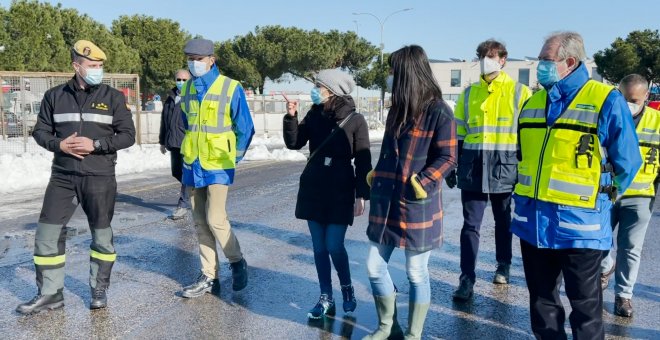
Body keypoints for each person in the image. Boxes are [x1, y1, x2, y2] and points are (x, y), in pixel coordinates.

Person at [511, 32, 642, 339]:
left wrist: (601, 202)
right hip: (534, 227)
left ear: (569, 62)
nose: (539, 65)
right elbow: (524, 158)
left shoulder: (605, 99)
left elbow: (628, 163)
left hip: (580, 230)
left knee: (585, 314)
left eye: (545, 59)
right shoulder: (533, 103)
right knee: (542, 308)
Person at [16, 40, 136, 314]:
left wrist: (96, 145)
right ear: (76, 66)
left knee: (101, 236)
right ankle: (50, 294)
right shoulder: (55, 96)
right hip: (62, 177)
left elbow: (128, 136)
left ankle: (98, 290)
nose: (98, 70)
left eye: (100, 66)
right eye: (92, 65)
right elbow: (40, 132)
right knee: (47, 235)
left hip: (99, 176)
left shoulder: (113, 97)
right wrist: (59, 145)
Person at [363, 45, 457, 340]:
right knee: (374, 266)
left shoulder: (439, 111)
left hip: (417, 204)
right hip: (385, 202)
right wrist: (376, 173)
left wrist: (422, 182)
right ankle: (387, 327)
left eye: (392, 71)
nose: (389, 76)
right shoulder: (396, 110)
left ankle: (414, 335)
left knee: (416, 272)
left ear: (406, 74)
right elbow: (389, 153)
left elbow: (448, 157)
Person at [283, 69, 372, 319]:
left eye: (318, 85)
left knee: (334, 245)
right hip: (313, 186)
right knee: (319, 248)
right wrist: (291, 117)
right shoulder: (314, 113)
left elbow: (364, 159)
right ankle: (325, 297)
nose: (314, 89)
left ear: (331, 90)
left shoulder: (356, 120)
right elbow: (295, 143)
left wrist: (361, 194)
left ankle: (347, 288)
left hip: (340, 189)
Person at [448, 40, 532, 300]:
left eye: (491, 56)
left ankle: (503, 265)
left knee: (503, 222)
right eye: (482, 56)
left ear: (503, 59)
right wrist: (453, 164)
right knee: (470, 226)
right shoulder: (469, 93)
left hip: (505, 167)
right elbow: (459, 134)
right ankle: (466, 279)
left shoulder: (521, 92)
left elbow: (527, 137)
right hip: (473, 166)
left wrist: (525, 171)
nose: (486, 60)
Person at [178, 38, 254, 298]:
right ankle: (209, 276)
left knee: (215, 219)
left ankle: (237, 261)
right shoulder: (187, 88)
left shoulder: (231, 87)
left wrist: (235, 156)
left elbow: (245, 127)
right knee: (199, 222)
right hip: (193, 163)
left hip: (219, 163)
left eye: (199, 58)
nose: (194, 63)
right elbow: (188, 125)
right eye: (190, 58)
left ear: (212, 59)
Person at [600, 74, 660, 317]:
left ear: (647, 96)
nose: (628, 103)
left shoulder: (657, 121)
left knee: (630, 248)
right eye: (624, 98)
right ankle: (606, 267)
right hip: (608, 192)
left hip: (641, 195)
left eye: (634, 99)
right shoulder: (607, 116)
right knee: (599, 241)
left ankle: (623, 296)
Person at [159, 69, 191, 220]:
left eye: (185, 80)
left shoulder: (193, 98)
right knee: (176, 172)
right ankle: (194, 190)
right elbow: (164, 121)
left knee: (185, 174)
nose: (181, 82)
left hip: (188, 143)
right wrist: (162, 141)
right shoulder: (171, 98)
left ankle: (183, 204)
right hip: (173, 142)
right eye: (179, 79)